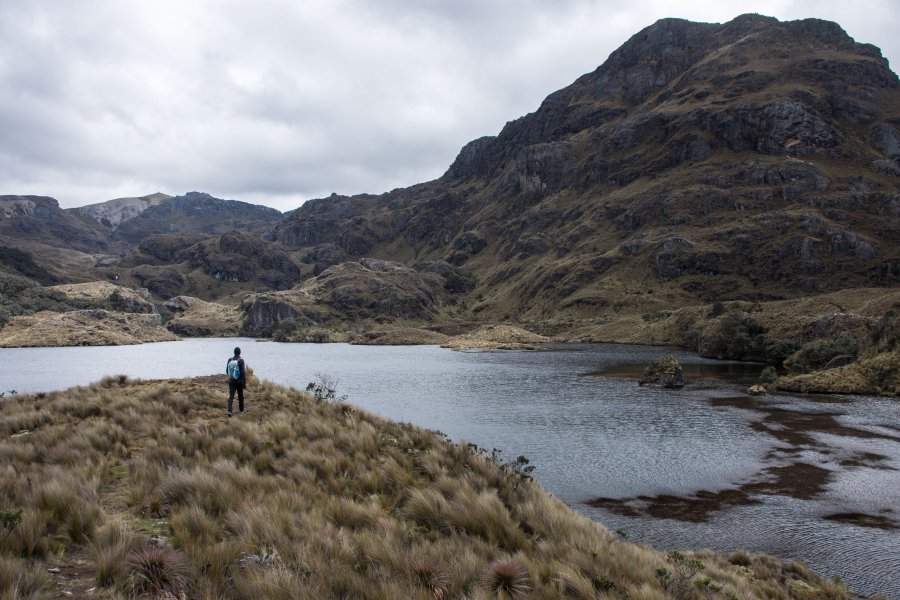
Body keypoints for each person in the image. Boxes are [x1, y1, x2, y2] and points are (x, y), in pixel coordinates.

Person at [226, 346, 247, 417]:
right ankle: (241, 410)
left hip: (231, 381)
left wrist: (231, 377)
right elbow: (243, 372)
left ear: (234, 352)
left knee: (231, 396)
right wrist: (244, 382)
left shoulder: (230, 360)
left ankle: (229, 411)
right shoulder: (241, 360)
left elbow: (227, 371)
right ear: (240, 352)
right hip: (239, 382)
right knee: (240, 395)